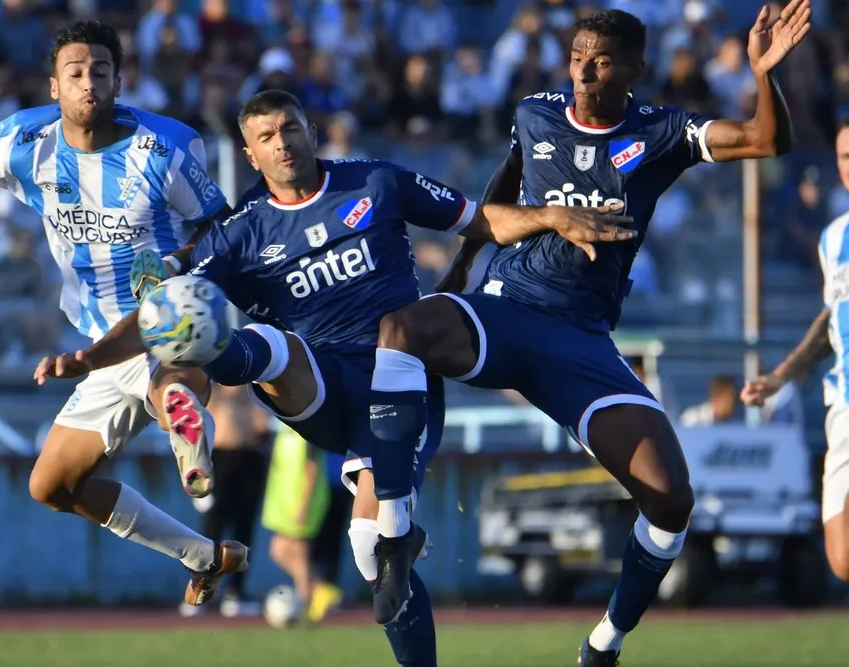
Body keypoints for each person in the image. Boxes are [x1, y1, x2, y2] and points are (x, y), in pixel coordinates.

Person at [43, 89, 636, 666]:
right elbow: (160, 310)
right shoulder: (242, 231)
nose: (282, 143)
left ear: (311, 131)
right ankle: (203, 379)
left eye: (289, 128)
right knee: (260, 341)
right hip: (320, 386)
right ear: (251, 154)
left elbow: (478, 219)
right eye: (266, 137)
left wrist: (551, 217)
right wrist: (91, 357)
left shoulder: (375, 181)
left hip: (400, 386)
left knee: (371, 552)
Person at [363, 5, 808, 666]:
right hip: (504, 310)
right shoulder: (534, 112)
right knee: (401, 327)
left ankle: (605, 643)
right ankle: (396, 530)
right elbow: (507, 178)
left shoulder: (661, 131)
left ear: (635, 69)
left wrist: (763, 75)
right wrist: (464, 260)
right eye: (577, 58)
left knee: (671, 497)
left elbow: (767, 141)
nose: (583, 72)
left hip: (580, 341)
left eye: (600, 61)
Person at [0, 21, 248, 607]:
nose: (89, 83)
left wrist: (177, 261)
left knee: (171, 365)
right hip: (98, 345)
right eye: (75, 72)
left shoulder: (164, 148)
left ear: (119, 82)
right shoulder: (23, 141)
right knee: (52, 485)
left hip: (166, 318)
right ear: (54, 85)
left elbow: (224, 229)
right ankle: (204, 554)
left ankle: (182, 415)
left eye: (101, 72)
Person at [742, 117, 849, 583]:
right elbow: (832, 318)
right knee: (842, 559)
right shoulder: (834, 238)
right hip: (843, 402)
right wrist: (780, 374)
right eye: (845, 156)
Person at [183, 382, 270, 618]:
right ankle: (200, 591)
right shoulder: (213, 394)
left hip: (250, 460)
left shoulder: (254, 395)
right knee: (211, 532)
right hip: (220, 462)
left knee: (244, 530)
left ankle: (236, 593)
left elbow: (263, 429)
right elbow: (194, 435)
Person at [261, 424, 330, 618]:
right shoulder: (284, 432)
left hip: (301, 502)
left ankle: (305, 605)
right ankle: (317, 588)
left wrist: (304, 505)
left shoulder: (308, 435)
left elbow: (312, 469)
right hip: (285, 502)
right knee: (279, 551)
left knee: (299, 554)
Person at [308, 450, 354, 622]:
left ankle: (326, 590)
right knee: (315, 540)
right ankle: (314, 590)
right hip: (321, 484)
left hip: (340, 483)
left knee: (333, 539)